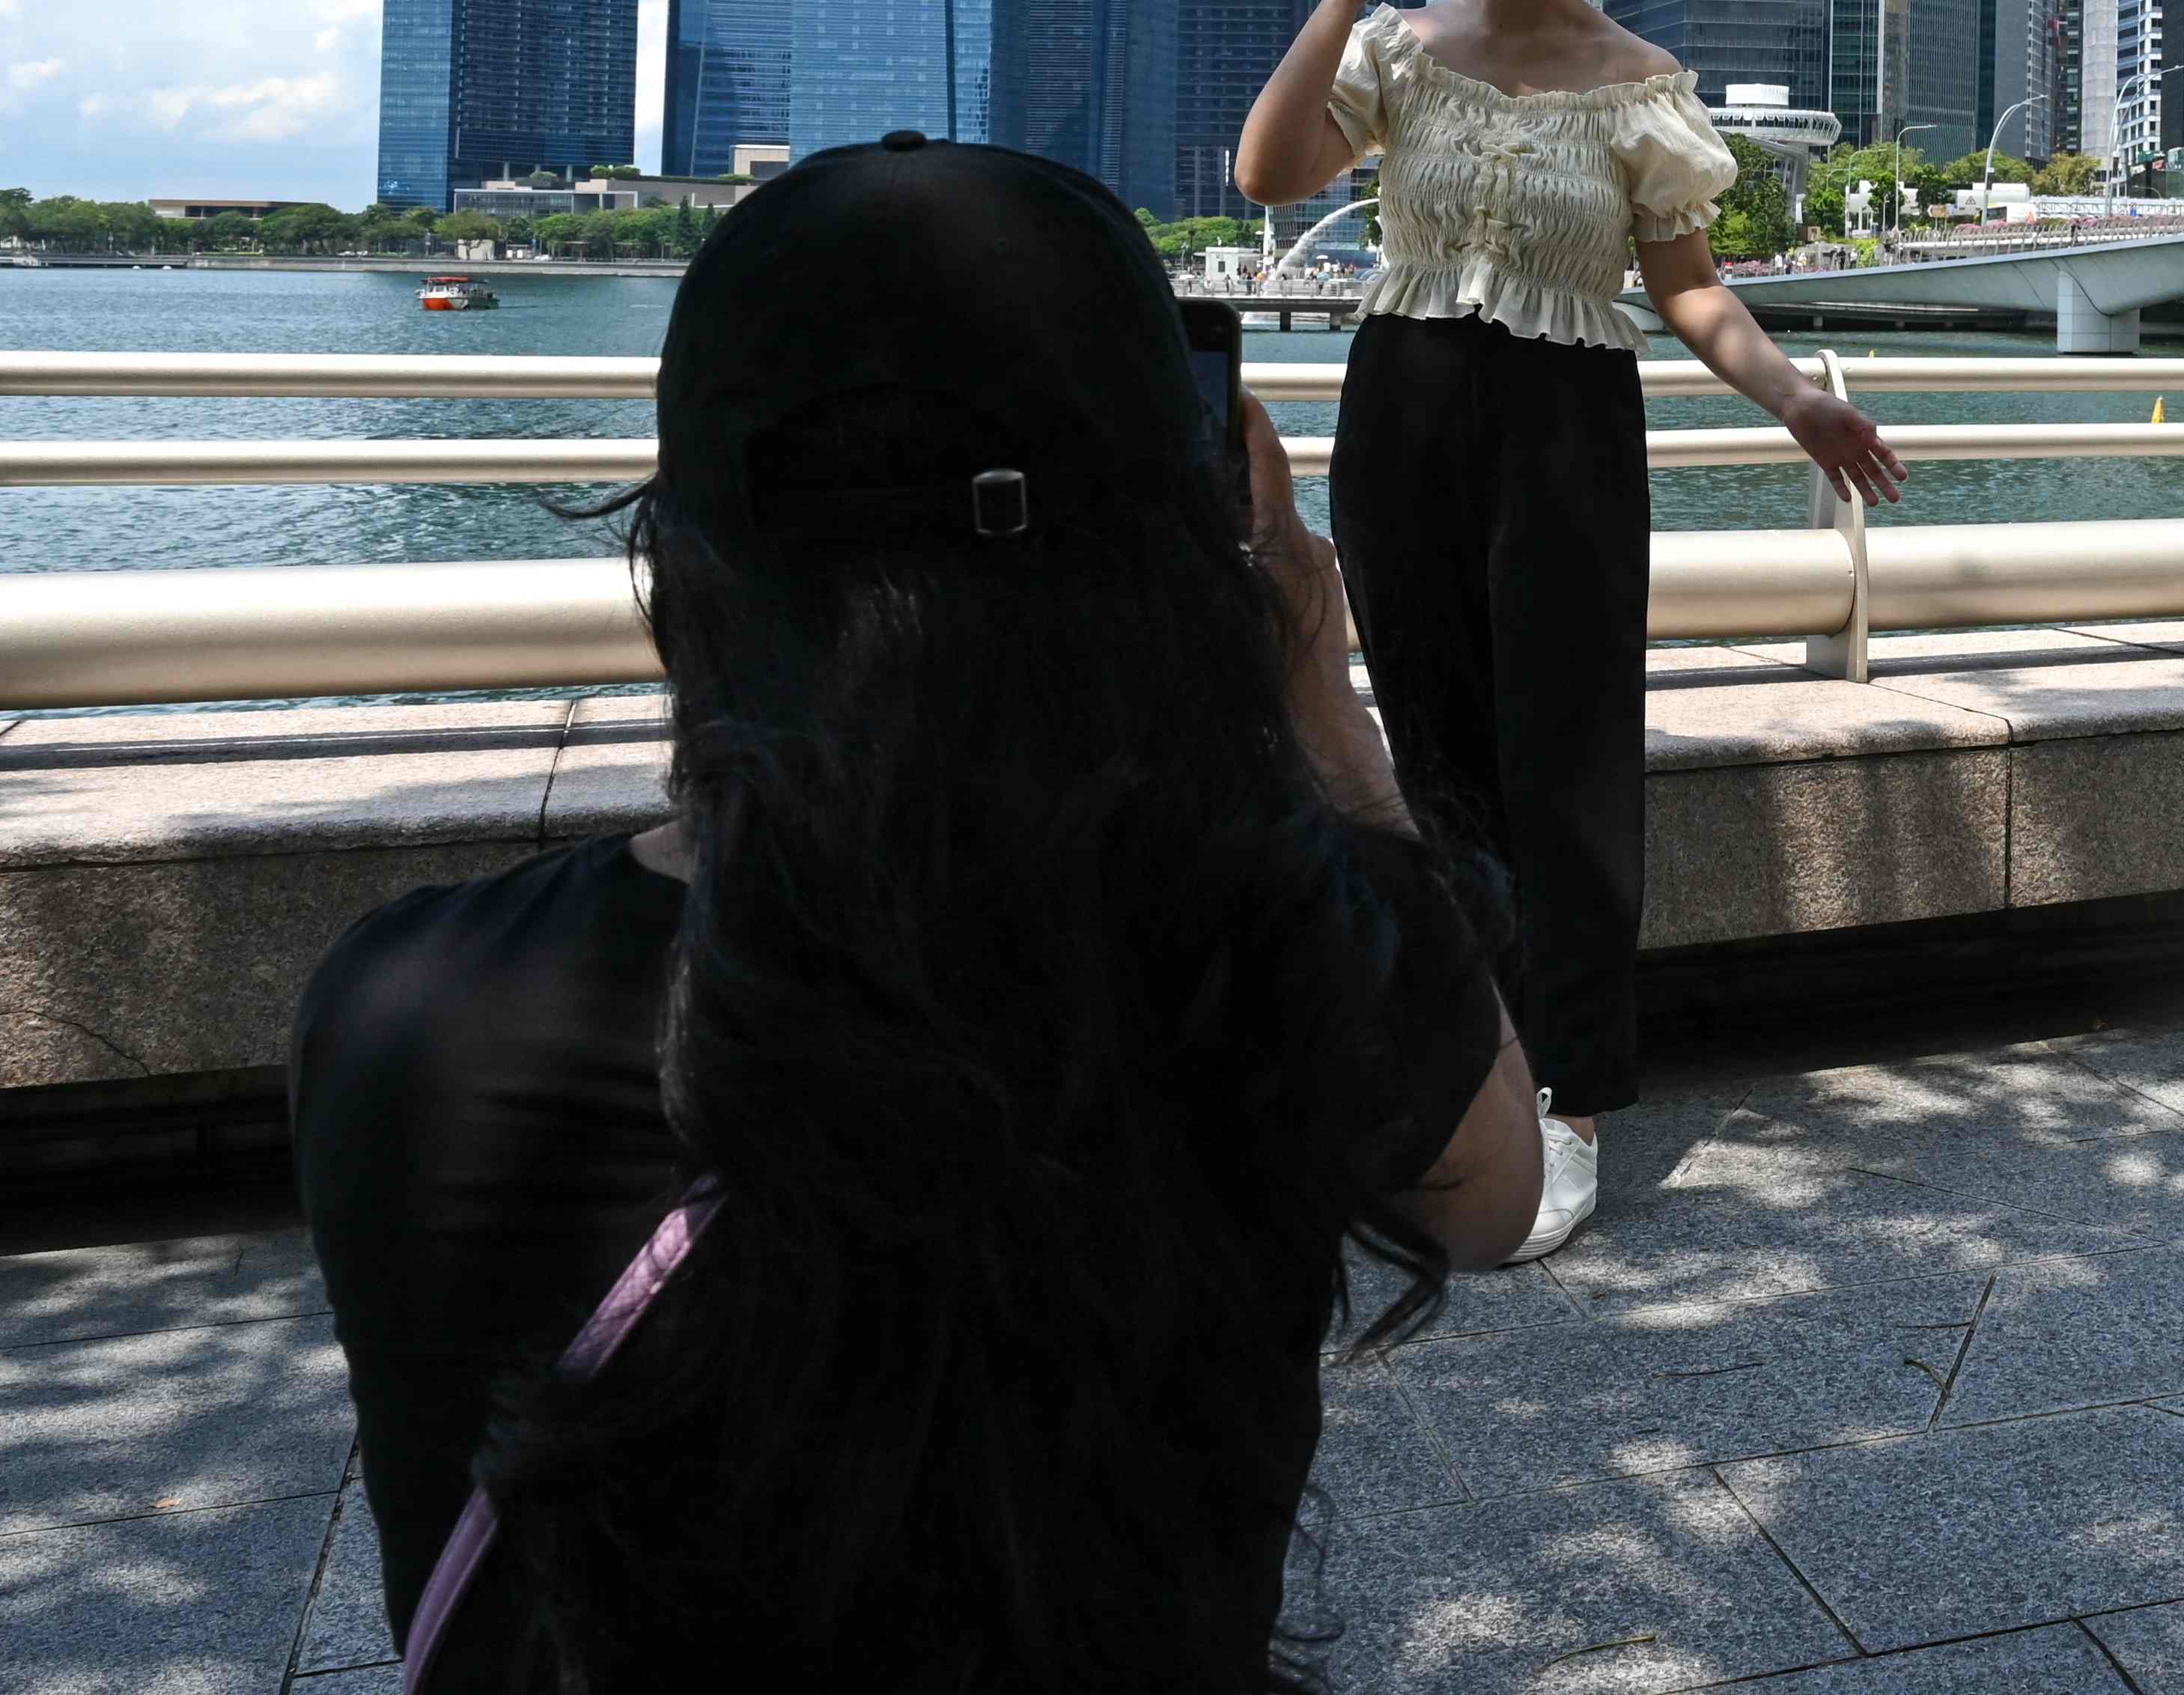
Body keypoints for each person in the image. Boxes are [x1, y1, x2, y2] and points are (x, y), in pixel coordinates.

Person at [292, 136, 1543, 1690]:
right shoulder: (1258, 948)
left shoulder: (410, 1006)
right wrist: (1322, 706)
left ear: (687, 546)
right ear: (1184, 537)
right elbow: (1493, 1196)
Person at [1234, 0, 1902, 1265]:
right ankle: (1456, 1073)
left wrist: (1797, 399)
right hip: (1403, 409)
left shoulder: (1637, 81)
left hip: (1565, 425)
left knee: (1570, 761)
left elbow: (1688, 287)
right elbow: (1266, 170)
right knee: (1432, 755)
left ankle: (1573, 1100)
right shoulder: (1397, 51)